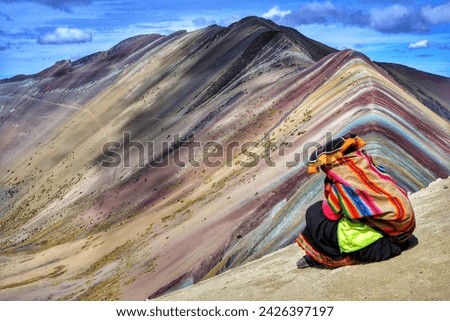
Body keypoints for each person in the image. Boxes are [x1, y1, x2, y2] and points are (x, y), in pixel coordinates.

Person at [296, 133, 416, 268]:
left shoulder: (343, 183)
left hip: (379, 246)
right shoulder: (372, 170)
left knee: (315, 214)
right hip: (402, 234)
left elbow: (331, 214)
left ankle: (322, 256)